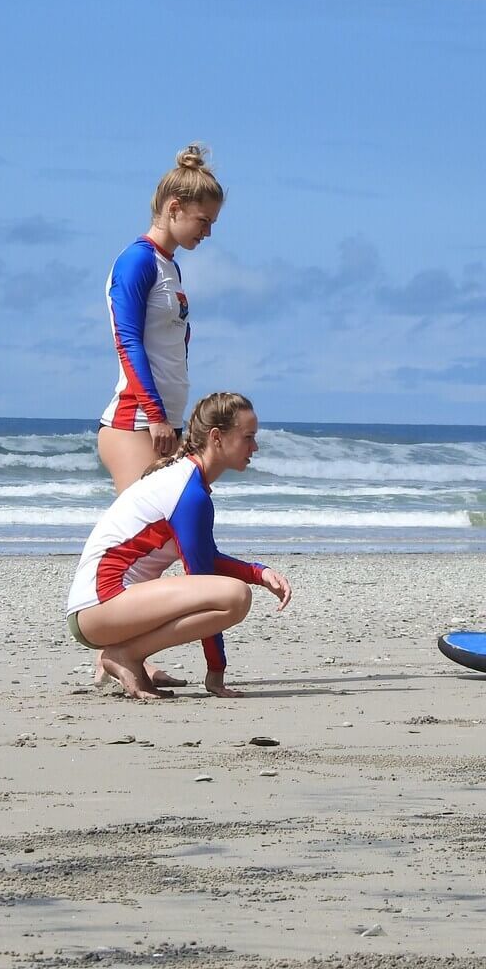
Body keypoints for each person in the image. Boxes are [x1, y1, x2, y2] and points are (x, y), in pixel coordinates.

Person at [68, 391, 292, 700]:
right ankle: (125, 655)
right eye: (248, 437)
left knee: (232, 590)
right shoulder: (189, 494)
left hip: (98, 609)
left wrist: (259, 572)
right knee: (235, 596)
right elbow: (202, 577)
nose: (254, 447)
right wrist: (216, 672)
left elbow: (206, 563)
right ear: (217, 437)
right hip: (101, 606)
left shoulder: (185, 480)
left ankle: (125, 654)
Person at [97, 143, 224, 494]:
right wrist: (155, 417)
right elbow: (128, 342)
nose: (208, 232)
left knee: (169, 527)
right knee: (144, 526)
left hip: (166, 421)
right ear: (174, 208)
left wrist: (172, 419)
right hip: (135, 421)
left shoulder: (171, 267)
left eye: (212, 223)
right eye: (203, 221)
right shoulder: (137, 262)